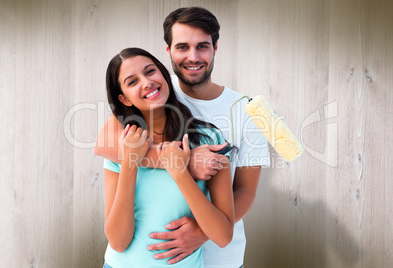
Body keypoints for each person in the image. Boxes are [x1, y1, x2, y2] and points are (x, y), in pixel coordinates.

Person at [94, 7, 270, 268]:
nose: (193, 57)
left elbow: (245, 190)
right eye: (182, 47)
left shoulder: (248, 111)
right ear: (168, 52)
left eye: (202, 46)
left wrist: (201, 232)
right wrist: (180, 162)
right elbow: (104, 145)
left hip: (219, 259)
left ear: (215, 47)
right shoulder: (153, 93)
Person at [101, 47, 234, 268]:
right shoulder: (123, 145)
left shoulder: (208, 138)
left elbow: (223, 236)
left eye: (150, 71)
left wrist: (180, 172)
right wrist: (130, 163)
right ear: (124, 98)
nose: (146, 83)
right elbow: (118, 242)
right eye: (132, 82)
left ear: (163, 74)